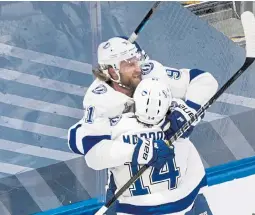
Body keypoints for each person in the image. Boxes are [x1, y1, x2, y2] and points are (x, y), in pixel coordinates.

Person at [68, 36, 219, 156]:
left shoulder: (151, 72)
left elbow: (204, 80)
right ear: (112, 72)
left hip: (180, 170)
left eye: (137, 61)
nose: (138, 69)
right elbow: (81, 142)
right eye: (130, 64)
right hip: (134, 185)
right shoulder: (100, 99)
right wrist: (135, 149)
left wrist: (189, 112)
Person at [84, 78, 207, 215]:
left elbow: (94, 155)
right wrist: (189, 111)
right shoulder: (177, 127)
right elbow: (204, 84)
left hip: (132, 209)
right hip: (180, 205)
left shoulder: (116, 128)